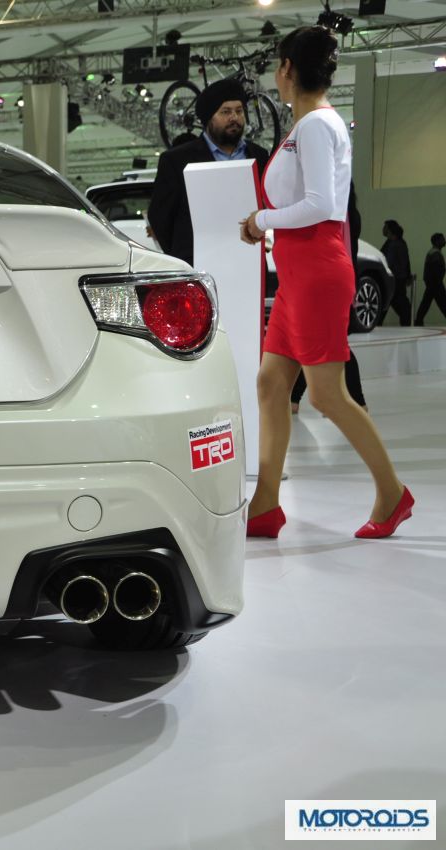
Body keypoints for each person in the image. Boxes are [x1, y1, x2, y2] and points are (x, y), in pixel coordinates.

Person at [239, 25, 411, 540]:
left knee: (326, 395)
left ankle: (392, 493)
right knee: (271, 383)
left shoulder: (316, 126)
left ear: (287, 69)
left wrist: (261, 221)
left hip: (316, 270)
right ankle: (266, 503)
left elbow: (320, 205)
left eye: (278, 66)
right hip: (300, 273)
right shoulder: (310, 125)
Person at [149, 77, 272, 265]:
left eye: (239, 111)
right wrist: (182, 256)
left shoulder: (259, 155)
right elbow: (160, 216)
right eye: (225, 112)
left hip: (251, 260)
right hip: (196, 264)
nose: (234, 117)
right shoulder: (177, 160)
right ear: (208, 118)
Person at [290, 184, 368, 413]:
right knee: (314, 342)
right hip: (336, 282)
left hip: (329, 284)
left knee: (334, 345)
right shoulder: (348, 213)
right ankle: (294, 398)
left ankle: (358, 403)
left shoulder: (334, 214)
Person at [379, 220, 412, 326]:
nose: (383, 229)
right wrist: (408, 275)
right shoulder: (400, 242)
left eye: (385, 227)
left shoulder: (392, 244)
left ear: (389, 230)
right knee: (400, 305)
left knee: (386, 303)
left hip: (393, 279)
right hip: (398, 279)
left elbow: (388, 262)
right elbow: (407, 261)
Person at [414, 232, 446, 326]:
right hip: (436, 284)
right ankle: (418, 321)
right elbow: (436, 270)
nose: (444, 241)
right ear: (436, 241)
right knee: (443, 303)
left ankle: (418, 321)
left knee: (426, 303)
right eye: (442, 239)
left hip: (432, 284)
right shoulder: (436, 254)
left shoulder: (432, 252)